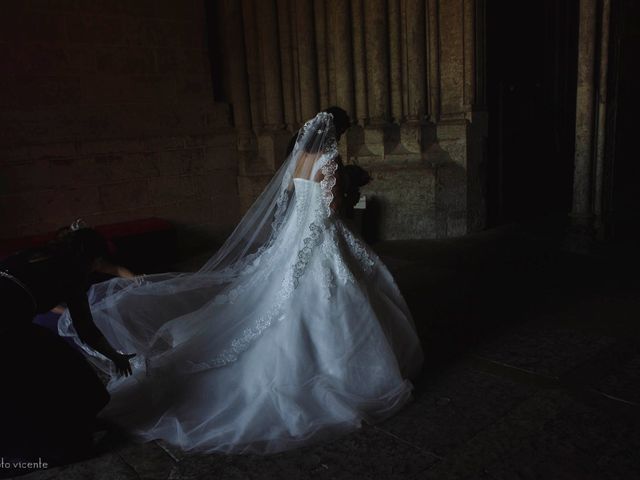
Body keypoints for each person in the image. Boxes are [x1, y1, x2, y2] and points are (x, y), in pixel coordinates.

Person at [59, 112, 424, 455]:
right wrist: (344, 190)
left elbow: (299, 202)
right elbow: (329, 209)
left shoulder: (298, 160)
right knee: (331, 298)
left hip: (296, 238)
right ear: (335, 132)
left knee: (289, 299)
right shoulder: (329, 159)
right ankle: (338, 373)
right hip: (322, 238)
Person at [0, 224, 136, 464]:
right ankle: (67, 438)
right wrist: (115, 356)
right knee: (57, 369)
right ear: (92, 259)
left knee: (59, 360)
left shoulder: (35, 254)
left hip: (13, 321)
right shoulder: (72, 273)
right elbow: (86, 329)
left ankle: (78, 420)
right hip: (8, 326)